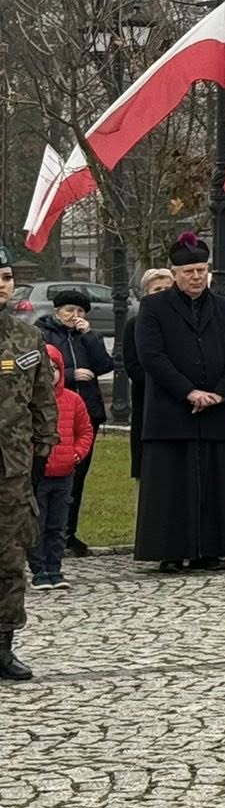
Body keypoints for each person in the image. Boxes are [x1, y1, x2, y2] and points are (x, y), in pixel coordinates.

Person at [133, 234, 225, 573]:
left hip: (215, 409)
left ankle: (212, 549)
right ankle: (170, 550)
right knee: (171, 485)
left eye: (201, 270)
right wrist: (189, 392)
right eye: (189, 271)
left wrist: (220, 392)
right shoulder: (154, 307)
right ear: (175, 273)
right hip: (171, 410)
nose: (196, 277)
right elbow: (151, 357)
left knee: (216, 482)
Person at [0, 249, 59, 679]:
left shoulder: (26, 338)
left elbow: (42, 399)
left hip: (13, 469)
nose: (1, 285)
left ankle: (4, 644)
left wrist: (43, 448)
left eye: (5, 277)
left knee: (9, 557)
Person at [38, 287, 112, 558]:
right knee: (51, 477)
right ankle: (47, 533)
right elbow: (43, 370)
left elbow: (105, 365)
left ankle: (70, 531)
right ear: (57, 311)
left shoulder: (87, 337)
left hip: (86, 412)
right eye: (69, 310)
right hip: (54, 412)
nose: (74, 315)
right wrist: (70, 374)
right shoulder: (45, 334)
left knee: (78, 476)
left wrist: (90, 336)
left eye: (80, 311)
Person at [27, 342, 90, 592]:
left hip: (64, 473)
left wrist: (77, 453)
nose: (49, 374)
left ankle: (55, 567)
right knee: (37, 525)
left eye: (54, 368)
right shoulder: (29, 401)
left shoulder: (73, 400)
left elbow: (85, 431)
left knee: (58, 525)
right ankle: (39, 569)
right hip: (38, 474)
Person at [122, 267, 172, 486]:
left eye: (167, 288)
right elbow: (133, 366)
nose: (162, 293)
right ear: (146, 293)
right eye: (157, 289)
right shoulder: (134, 325)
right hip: (149, 401)